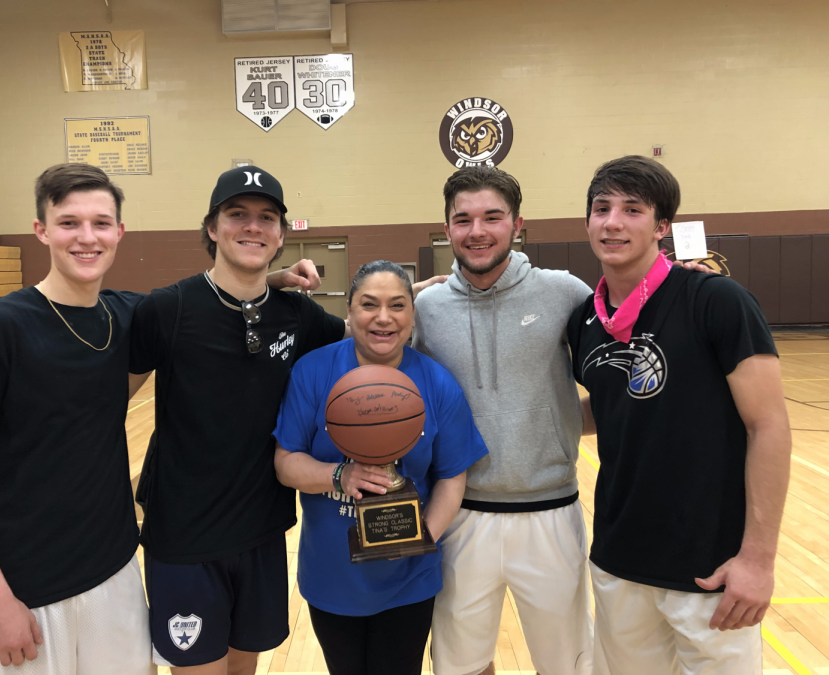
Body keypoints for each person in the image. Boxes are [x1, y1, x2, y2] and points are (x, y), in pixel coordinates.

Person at [567, 155, 791, 674]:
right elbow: (609, 406)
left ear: (661, 226)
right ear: (587, 222)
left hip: (710, 567)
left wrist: (757, 559)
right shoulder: (585, 319)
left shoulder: (716, 300)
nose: (613, 222)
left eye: (632, 210)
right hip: (619, 558)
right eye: (601, 209)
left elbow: (769, 425)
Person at [0, 163, 156, 675]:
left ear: (119, 232)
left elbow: (204, 304)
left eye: (101, 223)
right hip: (23, 593)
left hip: (114, 574)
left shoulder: (127, 316)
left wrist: (268, 276)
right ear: (42, 231)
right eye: (69, 222)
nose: (86, 237)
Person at [128, 165, 350, 675]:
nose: (253, 226)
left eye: (266, 217)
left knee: (244, 669)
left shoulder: (299, 316)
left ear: (281, 235)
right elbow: (104, 404)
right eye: (237, 214)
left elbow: (371, 325)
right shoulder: (168, 309)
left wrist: (426, 290)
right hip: (184, 537)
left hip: (262, 531)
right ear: (211, 227)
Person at [412, 167, 596, 675]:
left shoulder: (564, 293)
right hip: (461, 513)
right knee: (460, 664)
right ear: (446, 228)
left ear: (518, 224)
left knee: (568, 663)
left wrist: (552, 426)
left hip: (551, 510)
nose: (477, 231)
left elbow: (619, 384)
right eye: (463, 219)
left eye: (492, 217)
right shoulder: (426, 307)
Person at [273, 260, 489, 675]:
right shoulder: (312, 372)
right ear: (350, 312)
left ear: (412, 314)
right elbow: (286, 464)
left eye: (397, 305)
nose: (383, 318)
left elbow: (451, 475)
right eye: (369, 305)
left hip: (410, 577)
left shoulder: (437, 382)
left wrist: (420, 538)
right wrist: (339, 474)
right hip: (332, 574)